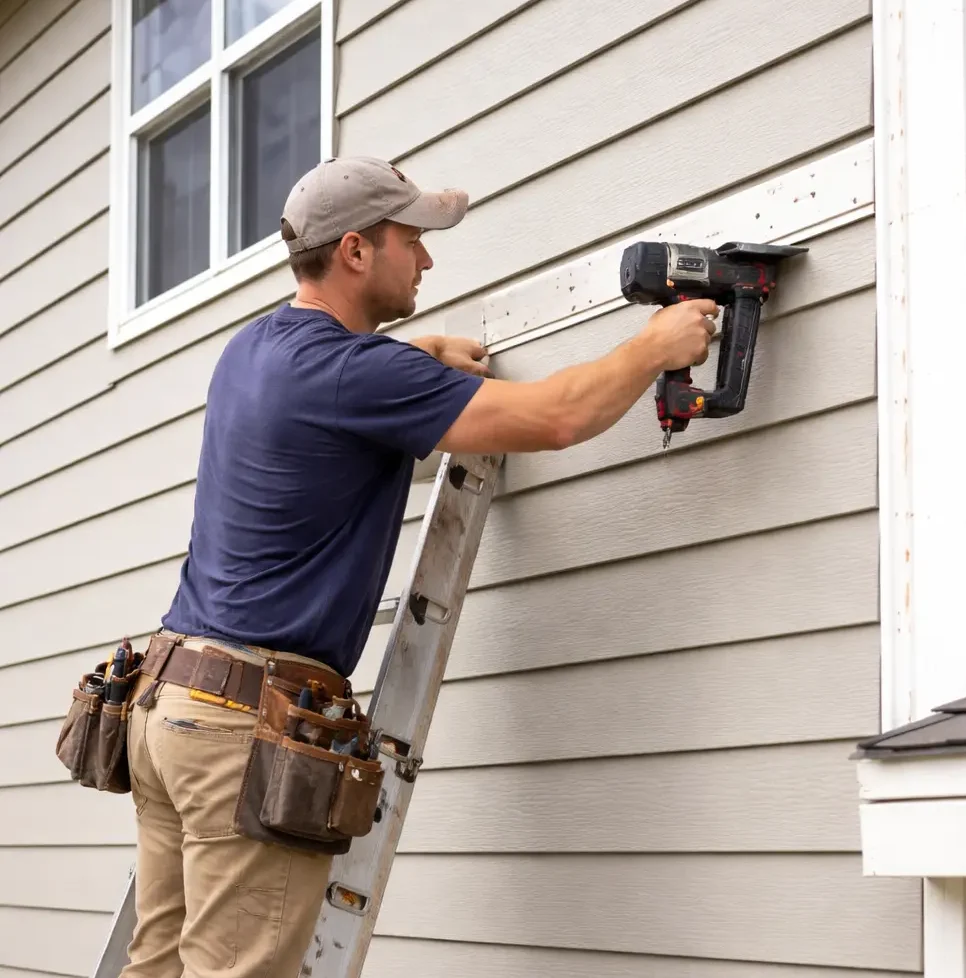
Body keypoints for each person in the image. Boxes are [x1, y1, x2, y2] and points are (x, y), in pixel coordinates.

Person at [120, 156, 718, 978]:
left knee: (158, 964)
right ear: (358, 252)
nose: (428, 260)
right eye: (414, 241)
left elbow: (340, 388)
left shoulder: (252, 350)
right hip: (241, 732)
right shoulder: (356, 375)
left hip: (169, 709)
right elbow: (556, 417)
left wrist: (419, 354)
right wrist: (655, 343)